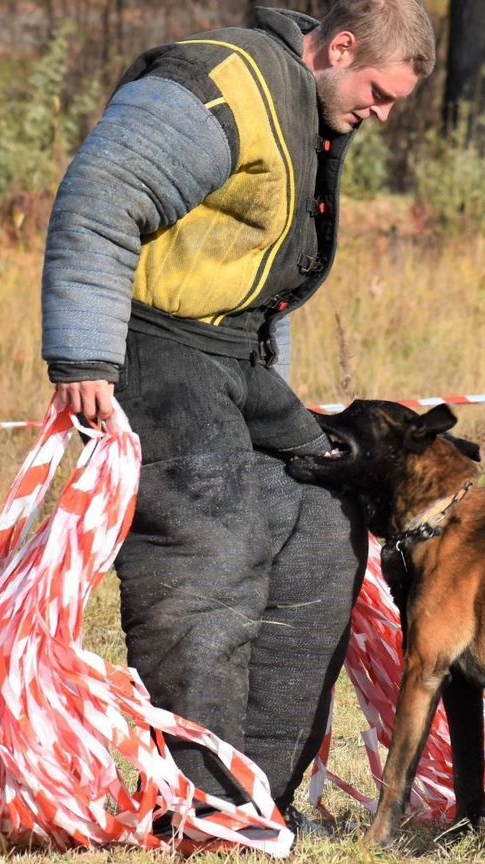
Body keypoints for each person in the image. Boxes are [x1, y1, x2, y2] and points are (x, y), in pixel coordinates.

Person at [40, 0, 435, 832]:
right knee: (212, 542)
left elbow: (268, 273)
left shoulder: (311, 103)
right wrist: (82, 360)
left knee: (322, 524)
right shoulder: (220, 81)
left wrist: (273, 400)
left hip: (232, 364)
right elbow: (102, 193)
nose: (382, 112)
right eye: (378, 90)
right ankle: (195, 807)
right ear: (341, 44)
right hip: (148, 349)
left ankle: (259, 805)